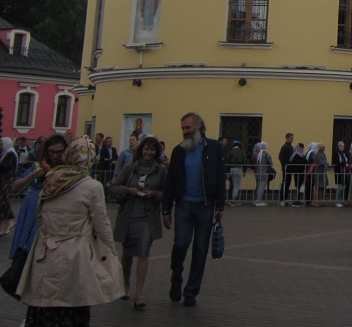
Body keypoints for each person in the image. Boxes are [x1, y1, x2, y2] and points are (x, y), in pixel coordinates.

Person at [16, 137, 124, 323]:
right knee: (73, 303)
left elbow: (40, 216)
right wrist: (110, 254)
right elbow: (102, 224)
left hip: (45, 251)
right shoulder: (92, 186)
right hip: (75, 254)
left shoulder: (52, 179)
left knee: (44, 304)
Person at [161, 112, 226, 307]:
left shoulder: (213, 148)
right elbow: (170, 180)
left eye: (187, 128)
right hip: (183, 205)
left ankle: (191, 291)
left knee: (200, 249)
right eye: (183, 128)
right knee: (180, 244)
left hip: (205, 206)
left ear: (198, 127)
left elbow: (220, 176)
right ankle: (176, 277)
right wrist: (166, 209)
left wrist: (220, 205)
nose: (184, 132)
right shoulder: (179, 150)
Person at [108, 135, 167, 309]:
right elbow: (113, 188)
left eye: (152, 150)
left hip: (148, 215)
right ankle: (125, 284)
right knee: (127, 253)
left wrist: (154, 194)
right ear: (141, 150)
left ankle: (139, 293)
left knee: (143, 251)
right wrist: (128, 190)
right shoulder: (129, 168)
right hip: (129, 213)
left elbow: (167, 192)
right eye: (146, 149)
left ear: (156, 152)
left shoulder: (161, 170)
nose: (148, 152)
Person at [8, 135, 67, 260]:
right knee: (27, 246)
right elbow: (15, 187)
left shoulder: (69, 169)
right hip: (33, 206)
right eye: (52, 152)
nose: (55, 156)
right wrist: (35, 173)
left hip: (56, 209)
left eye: (59, 152)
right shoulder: (38, 165)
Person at [0, 137, 18, 235]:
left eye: (2, 144)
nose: (1, 146)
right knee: (2, 203)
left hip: (8, 180)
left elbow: (6, 166)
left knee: (3, 201)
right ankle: (5, 224)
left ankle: (10, 220)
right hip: (3, 180)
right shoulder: (5, 153)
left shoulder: (10, 154)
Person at [225, 141, 247, 206]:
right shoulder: (242, 152)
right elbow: (244, 161)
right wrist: (244, 171)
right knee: (236, 185)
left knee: (233, 184)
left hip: (231, 169)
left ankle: (231, 199)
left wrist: (227, 172)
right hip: (238, 168)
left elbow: (227, 162)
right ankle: (234, 200)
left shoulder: (230, 151)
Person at [252, 142, 273, 206]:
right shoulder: (266, 154)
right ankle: (259, 201)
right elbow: (270, 163)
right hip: (264, 172)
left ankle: (257, 200)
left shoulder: (258, 154)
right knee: (261, 187)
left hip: (257, 172)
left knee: (258, 186)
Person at [309, 142, 329, 207]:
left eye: (324, 147)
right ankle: (315, 202)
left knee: (321, 187)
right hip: (318, 172)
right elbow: (321, 162)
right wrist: (326, 164)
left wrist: (326, 164)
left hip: (322, 172)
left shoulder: (323, 154)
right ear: (320, 148)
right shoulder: (318, 154)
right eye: (322, 147)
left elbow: (325, 161)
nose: (324, 148)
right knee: (316, 187)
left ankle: (320, 201)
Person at [278, 133, 295, 206]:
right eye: (291, 138)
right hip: (286, 168)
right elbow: (280, 156)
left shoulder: (291, 147)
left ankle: (285, 198)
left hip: (290, 168)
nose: (292, 139)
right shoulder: (284, 147)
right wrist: (284, 164)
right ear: (287, 138)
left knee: (288, 183)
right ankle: (282, 199)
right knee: (284, 183)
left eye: (292, 138)